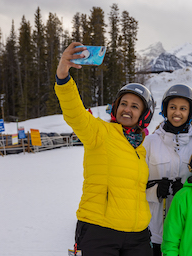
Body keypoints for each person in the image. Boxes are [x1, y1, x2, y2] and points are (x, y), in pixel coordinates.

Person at [54, 42, 154, 256]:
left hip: (138, 235)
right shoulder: (100, 132)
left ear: (144, 115)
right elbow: (75, 114)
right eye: (123, 104)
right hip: (100, 231)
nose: (127, 109)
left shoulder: (144, 146)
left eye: (134, 106)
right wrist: (63, 76)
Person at [143, 84, 192, 256]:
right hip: (153, 229)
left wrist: (186, 190)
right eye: (173, 107)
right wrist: (153, 191)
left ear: (190, 112)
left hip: (184, 229)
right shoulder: (150, 142)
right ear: (165, 109)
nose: (177, 113)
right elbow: (136, 182)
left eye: (183, 108)